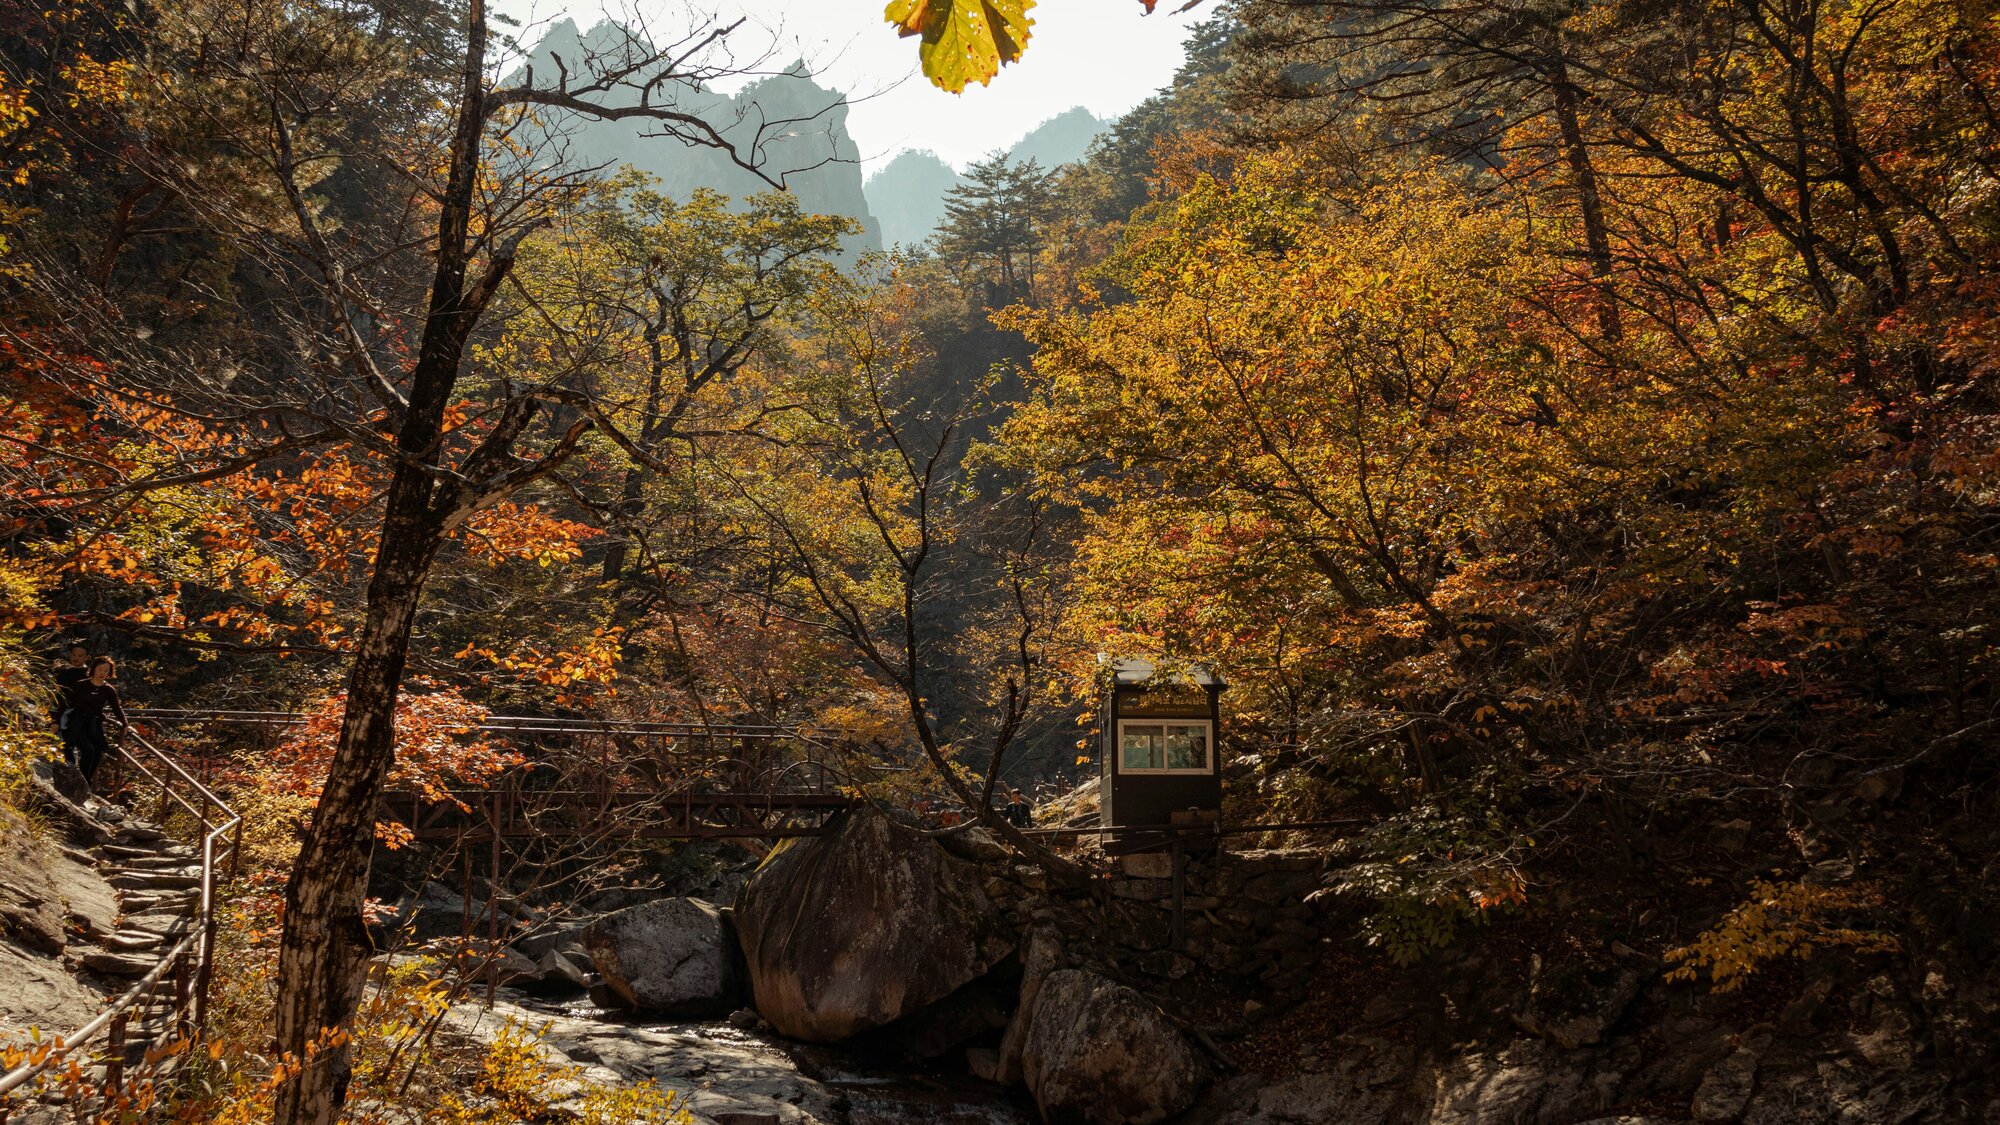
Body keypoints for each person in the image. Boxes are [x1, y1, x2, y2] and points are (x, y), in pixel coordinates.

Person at [64, 656, 128, 789]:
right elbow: (65, 703)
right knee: (88, 750)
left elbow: (117, 708)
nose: (102, 673)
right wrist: (56, 721)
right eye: (100, 669)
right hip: (77, 722)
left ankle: (85, 781)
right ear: (93, 670)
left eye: (106, 670)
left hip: (94, 723)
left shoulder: (108, 689)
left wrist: (125, 724)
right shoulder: (80, 684)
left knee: (98, 751)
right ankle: (81, 782)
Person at [52, 641, 90, 766]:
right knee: (64, 745)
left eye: (80, 656)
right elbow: (58, 695)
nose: (76, 658)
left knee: (73, 745)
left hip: (80, 714)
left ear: (86, 657)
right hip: (63, 711)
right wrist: (55, 718)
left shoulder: (89, 674)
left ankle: (76, 776)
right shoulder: (64, 673)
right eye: (74, 655)